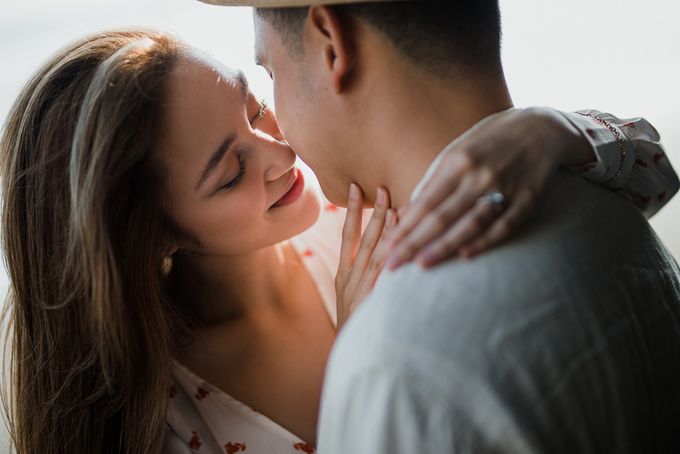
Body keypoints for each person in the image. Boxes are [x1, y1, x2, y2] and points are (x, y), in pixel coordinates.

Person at [0, 28, 675, 454]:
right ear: (154, 239)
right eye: (231, 171)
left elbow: (647, 174)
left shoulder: (359, 216)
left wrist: (544, 130)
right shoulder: (163, 419)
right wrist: (363, 340)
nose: (279, 150)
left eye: (255, 104)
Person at [197, 0, 680, 452]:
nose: (281, 146)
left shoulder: (394, 363)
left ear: (330, 43)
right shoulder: (606, 198)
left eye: (270, 73)